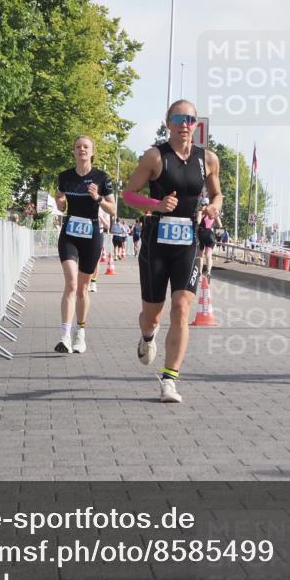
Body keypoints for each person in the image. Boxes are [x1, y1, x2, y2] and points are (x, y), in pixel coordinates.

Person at [122, 99, 223, 403]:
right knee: (153, 315)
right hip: (156, 243)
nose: (184, 124)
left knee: (181, 308)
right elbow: (128, 194)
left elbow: (217, 194)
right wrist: (156, 205)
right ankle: (147, 336)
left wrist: (212, 207)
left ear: (196, 125)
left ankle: (170, 380)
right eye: (178, 118)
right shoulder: (155, 157)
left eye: (190, 119)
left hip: (188, 242)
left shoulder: (208, 159)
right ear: (168, 123)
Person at [53, 136, 115, 354]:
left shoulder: (101, 177)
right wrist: (59, 203)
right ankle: (64, 336)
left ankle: (80, 332)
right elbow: (59, 200)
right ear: (73, 151)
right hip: (69, 233)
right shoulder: (64, 176)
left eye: (86, 147)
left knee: (82, 289)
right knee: (70, 284)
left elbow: (113, 210)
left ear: (92, 152)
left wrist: (98, 198)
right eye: (78, 147)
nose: (82, 150)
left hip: (91, 235)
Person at [197, 197, 223, 278]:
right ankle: (208, 272)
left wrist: (200, 214)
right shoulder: (214, 212)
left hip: (202, 233)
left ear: (202, 204)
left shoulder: (201, 211)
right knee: (209, 255)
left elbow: (198, 222)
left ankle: (200, 274)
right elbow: (220, 225)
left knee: (200, 256)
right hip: (210, 234)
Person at [90, 207, 111, 292]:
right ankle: (86, 281)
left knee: (96, 260)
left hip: (99, 233)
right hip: (87, 232)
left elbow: (108, 225)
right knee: (84, 258)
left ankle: (93, 282)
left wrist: (100, 217)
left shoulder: (105, 207)